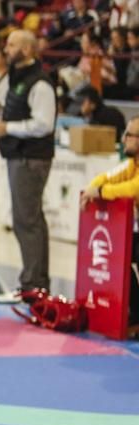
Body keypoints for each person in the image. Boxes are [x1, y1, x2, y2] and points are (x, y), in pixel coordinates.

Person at [0, 29, 56, 304]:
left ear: (27, 50)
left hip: (31, 158)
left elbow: (44, 124)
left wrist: (8, 128)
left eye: (13, 44)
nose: (6, 48)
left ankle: (33, 284)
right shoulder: (16, 78)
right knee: (29, 220)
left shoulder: (40, 84)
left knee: (27, 221)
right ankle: (34, 283)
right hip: (18, 156)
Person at [80, 115, 139, 330]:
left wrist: (102, 192)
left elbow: (133, 188)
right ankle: (137, 315)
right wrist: (91, 190)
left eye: (129, 135)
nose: (124, 140)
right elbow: (106, 176)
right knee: (121, 259)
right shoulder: (132, 164)